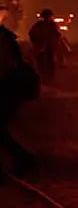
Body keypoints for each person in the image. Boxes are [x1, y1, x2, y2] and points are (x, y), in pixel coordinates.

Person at [0, 11, 38, 176]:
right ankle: (23, 159)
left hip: (7, 88)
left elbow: (5, 66)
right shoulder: (5, 38)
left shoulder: (3, 41)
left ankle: (23, 159)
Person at [28, 9, 65, 84]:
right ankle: (43, 79)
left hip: (49, 47)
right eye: (46, 16)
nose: (47, 18)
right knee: (41, 63)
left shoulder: (51, 25)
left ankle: (49, 79)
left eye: (48, 16)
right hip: (41, 48)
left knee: (50, 63)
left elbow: (57, 35)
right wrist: (37, 41)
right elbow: (32, 34)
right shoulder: (39, 25)